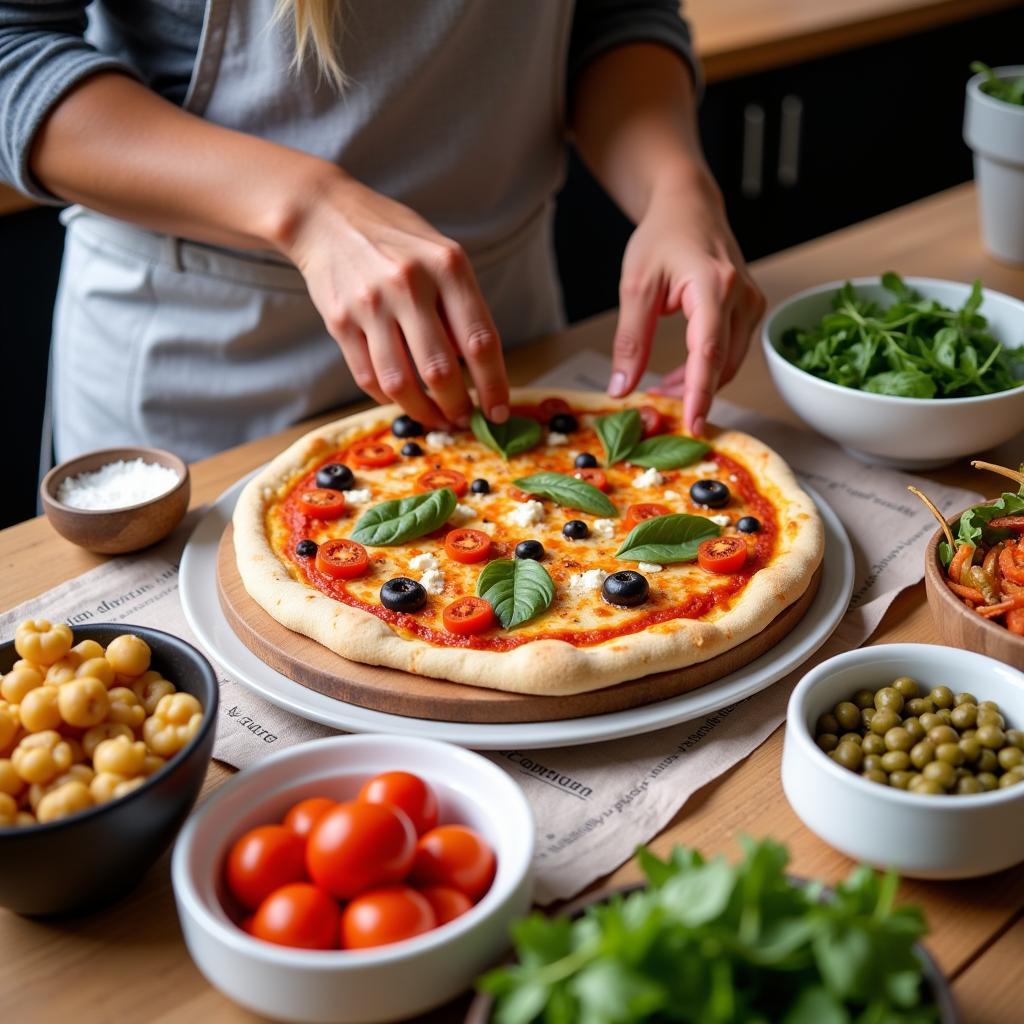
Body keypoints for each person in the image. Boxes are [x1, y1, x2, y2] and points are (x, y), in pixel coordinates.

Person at [0, 1, 764, 462]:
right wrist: (309, 208)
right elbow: (12, 51)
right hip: (206, 368)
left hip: (502, 337)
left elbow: (613, 17)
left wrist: (676, 187)